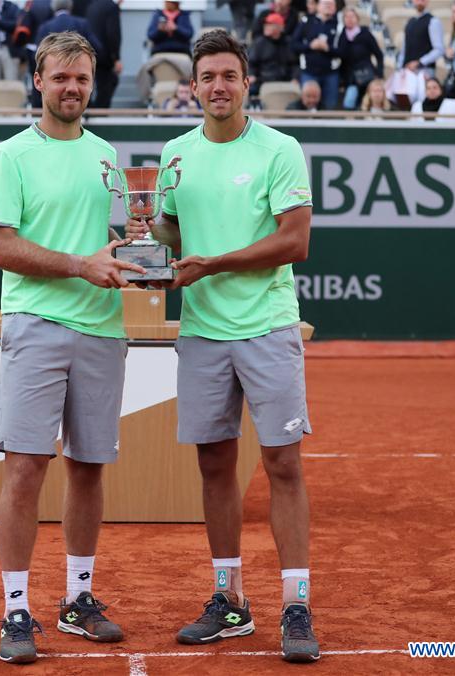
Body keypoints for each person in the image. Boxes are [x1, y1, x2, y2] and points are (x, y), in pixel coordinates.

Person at [125, 27, 320, 664]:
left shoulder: (281, 149)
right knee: (214, 466)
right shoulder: (176, 154)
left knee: (283, 465)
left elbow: (294, 242)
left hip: (266, 325)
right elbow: (172, 229)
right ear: (193, 88)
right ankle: (229, 601)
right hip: (203, 332)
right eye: (207, 77)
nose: (217, 86)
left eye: (228, 76)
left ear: (246, 82)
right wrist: (145, 228)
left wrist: (215, 265)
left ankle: (296, 605)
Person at [0, 31, 144, 665]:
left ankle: (77, 599)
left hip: (103, 330)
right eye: (60, 77)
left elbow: (119, 243)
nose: (71, 87)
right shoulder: (10, 156)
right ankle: (16, 610)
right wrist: (80, 265)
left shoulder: (108, 157)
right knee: (25, 469)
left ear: (91, 84)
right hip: (37, 324)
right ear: (39, 80)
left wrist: (135, 244)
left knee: (88, 468)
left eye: (81, 78)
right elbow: (0, 248)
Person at [291, 0, 341, 109]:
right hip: (309, 71)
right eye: (325, 3)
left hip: (331, 73)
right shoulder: (306, 21)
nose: (328, 6)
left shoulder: (339, 25)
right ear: (317, 6)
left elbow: (344, 51)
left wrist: (327, 48)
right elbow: (294, 44)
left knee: (329, 107)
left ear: (335, 7)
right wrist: (310, 46)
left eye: (331, 4)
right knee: (307, 104)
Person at [337, 6, 383, 109]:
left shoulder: (365, 34)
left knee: (370, 101)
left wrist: (379, 74)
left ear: (357, 19)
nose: (349, 19)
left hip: (367, 75)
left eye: (352, 16)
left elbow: (378, 54)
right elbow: (341, 56)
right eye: (347, 17)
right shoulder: (342, 36)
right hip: (351, 78)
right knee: (349, 101)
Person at [248, 12, 298, 96]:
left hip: (285, 81)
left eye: (270, 24)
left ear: (280, 27)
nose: (265, 27)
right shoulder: (259, 43)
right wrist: (251, 75)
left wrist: (295, 78)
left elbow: (295, 64)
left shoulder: (288, 43)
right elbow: (251, 63)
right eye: (266, 24)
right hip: (262, 81)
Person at [86, 0, 122, 108]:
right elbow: (113, 33)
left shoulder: (91, 6)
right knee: (108, 84)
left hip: (90, 52)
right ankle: (99, 114)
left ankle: (91, 110)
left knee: (91, 85)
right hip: (105, 56)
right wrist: (116, 57)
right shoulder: (111, 7)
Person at [397, 0, 444, 78]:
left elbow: (439, 49)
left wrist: (420, 62)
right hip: (407, 72)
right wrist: (399, 67)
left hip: (424, 71)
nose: (419, 2)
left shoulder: (433, 21)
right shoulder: (410, 22)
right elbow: (404, 49)